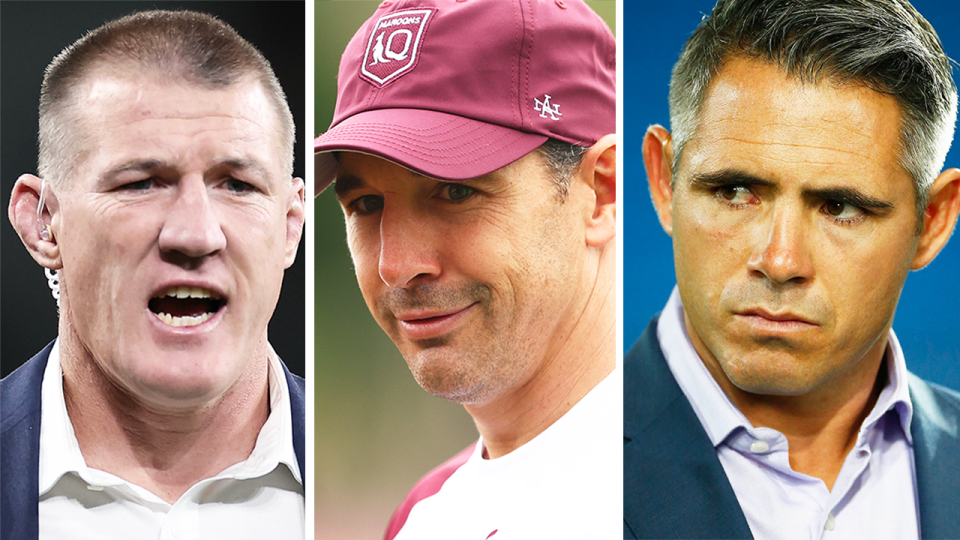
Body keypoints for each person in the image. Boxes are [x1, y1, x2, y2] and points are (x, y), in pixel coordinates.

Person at [623, 0, 960, 538]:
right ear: (664, 181)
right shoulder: (556, 472)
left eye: (841, 207)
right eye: (734, 192)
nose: (780, 262)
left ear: (933, 221)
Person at [313, 0, 617, 538]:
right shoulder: (423, 515)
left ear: (600, 195)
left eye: (454, 192)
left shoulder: (692, 496)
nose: (396, 267)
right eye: (365, 205)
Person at [1, 10, 306, 539]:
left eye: (236, 184)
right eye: (142, 183)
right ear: (45, 224)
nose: (195, 234)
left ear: (289, 226)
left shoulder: (410, 498)